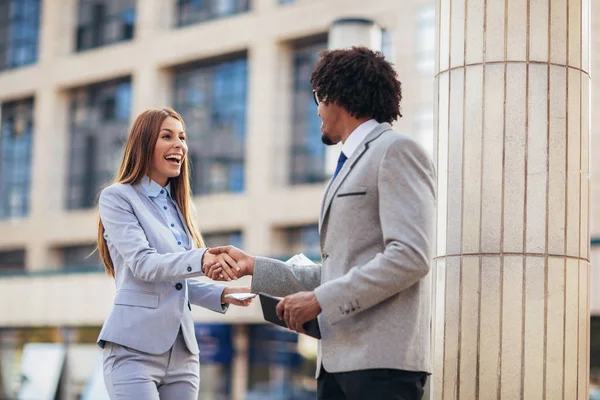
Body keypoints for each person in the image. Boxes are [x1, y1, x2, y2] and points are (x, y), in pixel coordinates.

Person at [206, 46, 436, 400]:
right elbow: (337, 270)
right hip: (336, 365)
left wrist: (321, 300)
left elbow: (410, 256)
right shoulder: (351, 162)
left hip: (381, 368)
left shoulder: (396, 151)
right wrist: (254, 266)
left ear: (336, 96)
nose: (317, 110)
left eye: (318, 97)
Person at [96, 108, 252, 400]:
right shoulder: (117, 198)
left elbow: (177, 282)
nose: (179, 145)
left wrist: (221, 294)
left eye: (182, 137)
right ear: (143, 144)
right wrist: (202, 258)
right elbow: (145, 265)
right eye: (167, 136)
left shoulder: (182, 207)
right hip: (133, 351)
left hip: (183, 355)